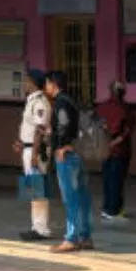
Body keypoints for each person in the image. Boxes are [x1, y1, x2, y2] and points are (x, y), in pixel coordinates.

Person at [45, 71, 93, 252]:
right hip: (77, 154)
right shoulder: (72, 100)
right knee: (83, 197)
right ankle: (85, 237)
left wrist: (63, 146)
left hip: (67, 156)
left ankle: (71, 239)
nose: (46, 87)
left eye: (47, 83)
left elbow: (64, 125)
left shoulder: (61, 102)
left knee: (70, 198)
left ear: (54, 84)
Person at [15, 70, 52, 241]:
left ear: (33, 83)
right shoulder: (32, 101)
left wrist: (35, 154)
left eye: (26, 81)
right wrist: (22, 143)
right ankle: (36, 226)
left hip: (35, 151)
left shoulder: (39, 103)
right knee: (33, 190)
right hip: (29, 149)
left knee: (38, 190)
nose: (24, 84)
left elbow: (40, 130)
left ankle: (41, 228)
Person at [98, 80, 135, 220]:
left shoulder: (102, 107)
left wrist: (104, 144)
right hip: (120, 150)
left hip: (104, 149)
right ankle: (113, 211)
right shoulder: (125, 109)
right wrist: (113, 143)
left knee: (108, 180)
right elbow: (126, 133)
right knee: (117, 181)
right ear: (123, 92)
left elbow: (96, 127)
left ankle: (107, 209)